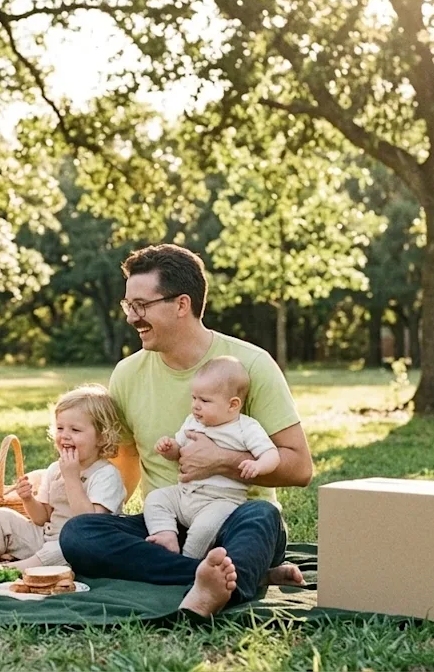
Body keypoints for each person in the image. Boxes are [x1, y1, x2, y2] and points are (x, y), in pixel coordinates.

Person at [59, 244, 313, 617]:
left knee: (263, 516)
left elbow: (300, 468)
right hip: (167, 527)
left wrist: (224, 461)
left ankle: (222, 578)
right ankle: (226, 579)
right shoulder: (127, 374)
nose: (132, 318)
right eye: (128, 306)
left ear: (181, 305)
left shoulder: (251, 365)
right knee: (79, 535)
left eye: (142, 306)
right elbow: (127, 462)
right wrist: (98, 516)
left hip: (236, 519)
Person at [0, 384, 127, 570]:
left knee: (61, 550)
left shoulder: (106, 475)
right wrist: (28, 499)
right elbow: (42, 518)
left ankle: (7, 570)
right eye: (60, 428)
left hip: (81, 547)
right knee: (2, 517)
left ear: (102, 437)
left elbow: (89, 526)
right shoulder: (55, 469)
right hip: (47, 536)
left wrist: (72, 478)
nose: (65, 436)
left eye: (75, 430)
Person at [144, 355, 279, 558]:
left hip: (221, 500)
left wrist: (258, 465)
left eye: (205, 400)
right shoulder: (192, 422)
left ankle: (189, 562)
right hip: (185, 495)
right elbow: (179, 451)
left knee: (204, 529)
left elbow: (272, 454)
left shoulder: (245, 428)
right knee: (156, 498)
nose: (196, 405)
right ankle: (166, 535)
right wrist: (169, 448)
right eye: (194, 398)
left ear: (232, 405)